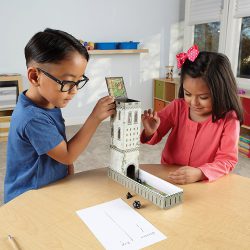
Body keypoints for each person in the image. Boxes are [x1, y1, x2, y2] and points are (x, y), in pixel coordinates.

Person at [4, 28, 115, 203]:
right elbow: (67, 154)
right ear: (34, 76)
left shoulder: (48, 103)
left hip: (50, 188)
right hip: (29, 198)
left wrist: (67, 169)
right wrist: (95, 118)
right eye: (67, 82)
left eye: (78, 82)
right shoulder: (32, 118)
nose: (74, 90)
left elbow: (61, 147)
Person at [141, 45, 243, 184]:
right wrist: (150, 131)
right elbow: (155, 135)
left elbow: (227, 159)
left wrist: (200, 173)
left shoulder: (229, 119)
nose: (194, 102)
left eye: (203, 97)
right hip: (171, 174)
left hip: (204, 180)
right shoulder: (177, 106)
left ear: (221, 91)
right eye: (188, 94)